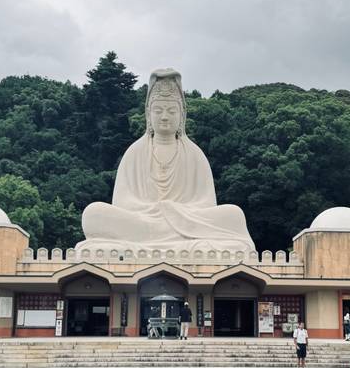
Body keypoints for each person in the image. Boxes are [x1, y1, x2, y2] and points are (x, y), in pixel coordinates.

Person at [77, 69, 255, 252]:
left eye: (171, 111)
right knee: (93, 213)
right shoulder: (135, 152)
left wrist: (174, 211)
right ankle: (181, 246)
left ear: (181, 115)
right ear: (148, 114)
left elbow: (206, 203)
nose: (164, 117)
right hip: (143, 222)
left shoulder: (194, 154)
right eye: (158, 110)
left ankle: (144, 246)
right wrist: (157, 210)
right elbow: (122, 202)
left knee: (234, 215)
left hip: (186, 224)